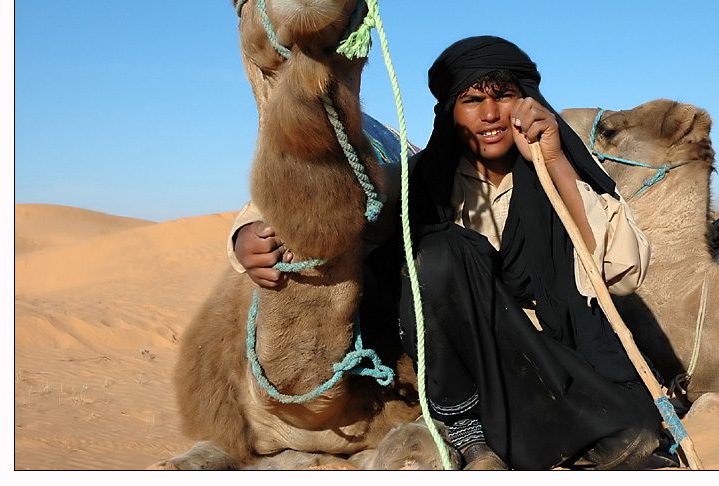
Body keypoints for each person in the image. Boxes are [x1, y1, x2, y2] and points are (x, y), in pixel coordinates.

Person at [229, 36, 674, 470]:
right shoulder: (421, 182)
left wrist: (555, 162)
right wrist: (248, 233)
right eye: (472, 100)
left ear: (529, 102)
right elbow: (331, 200)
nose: (491, 114)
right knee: (440, 251)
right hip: (457, 363)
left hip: (547, 350)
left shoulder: (560, 178)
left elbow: (623, 270)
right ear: (450, 112)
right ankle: (462, 423)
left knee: (634, 430)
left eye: (505, 96)